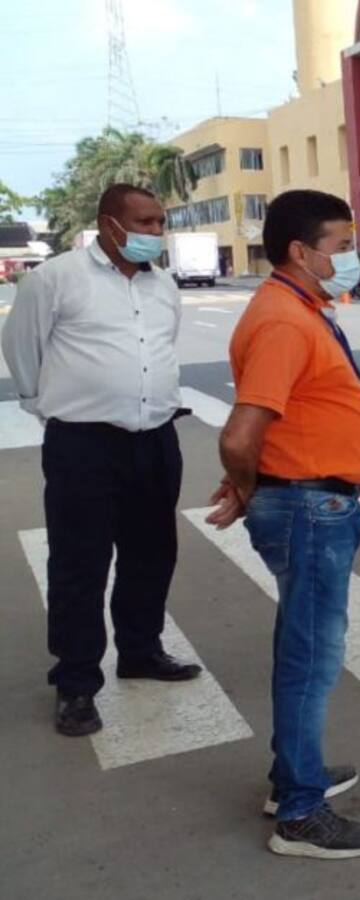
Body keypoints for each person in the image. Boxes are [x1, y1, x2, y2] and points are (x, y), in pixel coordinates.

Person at [205, 189, 360, 859]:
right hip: (309, 506)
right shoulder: (284, 319)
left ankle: (292, 779)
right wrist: (251, 484)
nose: (351, 256)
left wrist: (256, 480)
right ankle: (301, 815)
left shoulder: (301, 308)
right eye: (340, 245)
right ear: (300, 252)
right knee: (313, 658)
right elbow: (241, 431)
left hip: (312, 500)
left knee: (301, 642)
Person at [2, 184, 201, 738]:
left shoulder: (164, 286)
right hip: (84, 446)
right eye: (145, 222)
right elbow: (20, 344)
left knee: (152, 554)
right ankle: (76, 682)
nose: (156, 233)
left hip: (156, 438)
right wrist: (43, 406)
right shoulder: (58, 277)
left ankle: (140, 651)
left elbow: (160, 350)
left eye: (161, 222)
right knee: (79, 566)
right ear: (109, 224)